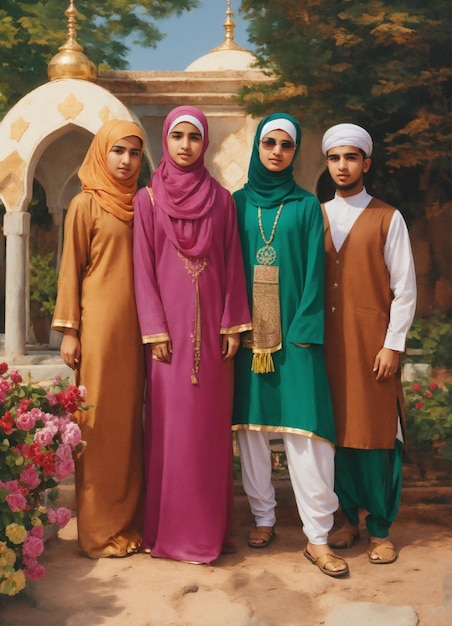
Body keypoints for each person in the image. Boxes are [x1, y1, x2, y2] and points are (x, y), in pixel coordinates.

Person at [133, 106, 251, 564]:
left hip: (216, 340)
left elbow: (234, 263)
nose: (185, 145)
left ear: (205, 144)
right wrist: (154, 329)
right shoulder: (148, 200)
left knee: (207, 435)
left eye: (194, 137)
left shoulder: (222, 200)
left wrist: (232, 324)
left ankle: (209, 532)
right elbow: (142, 269)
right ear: (166, 140)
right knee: (170, 432)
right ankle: (169, 532)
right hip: (167, 342)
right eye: (177, 136)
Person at [232, 113, 349, 578]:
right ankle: (263, 518)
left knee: (308, 435)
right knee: (252, 431)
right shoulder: (235, 204)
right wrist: (235, 324)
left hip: (296, 336)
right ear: (258, 147)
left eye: (285, 145)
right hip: (247, 334)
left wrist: (304, 331)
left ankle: (316, 537)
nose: (277, 151)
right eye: (269, 143)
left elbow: (317, 278)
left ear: (294, 153)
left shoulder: (305, 206)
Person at [321, 123, 417, 564]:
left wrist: (392, 345)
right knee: (337, 434)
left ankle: (380, 528)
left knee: (377, 434)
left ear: (366, 163)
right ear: (328, 163)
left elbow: (406, 288)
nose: (343, 166)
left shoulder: (387, 217)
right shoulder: (316, 214)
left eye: (351, 157)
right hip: (327, 347)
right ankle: (346, 521)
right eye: (335, 158)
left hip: (372, 345)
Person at [52, 119, 146, 558]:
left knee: (129, 426)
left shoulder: (143, 204)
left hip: (141, 330)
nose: (126, 161)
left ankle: (129, 522)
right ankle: (97, 531)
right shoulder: (84, 204)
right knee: (98, 424)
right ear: (102, 153)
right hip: (100, 329)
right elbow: (71, 268)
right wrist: (70, 331)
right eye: (118, 151)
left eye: (134, 153)